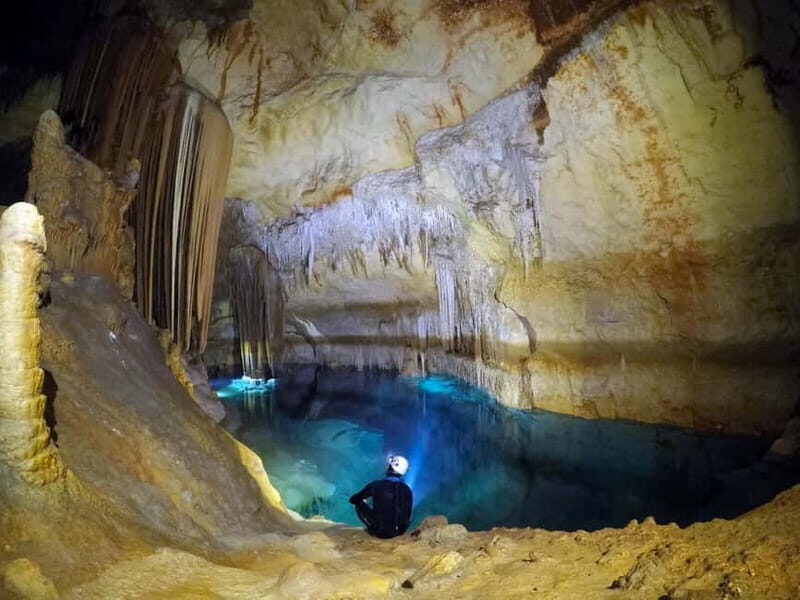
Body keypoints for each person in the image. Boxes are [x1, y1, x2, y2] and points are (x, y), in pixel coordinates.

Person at [349, 455, 413, 538]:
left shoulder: (376, 485)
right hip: (401, 531)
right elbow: (408, 513)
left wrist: (363, 500)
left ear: (390, 467)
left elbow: (353, 500)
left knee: (359, 503)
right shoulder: (407, 489)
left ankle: (372, 529)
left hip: (381, 532)